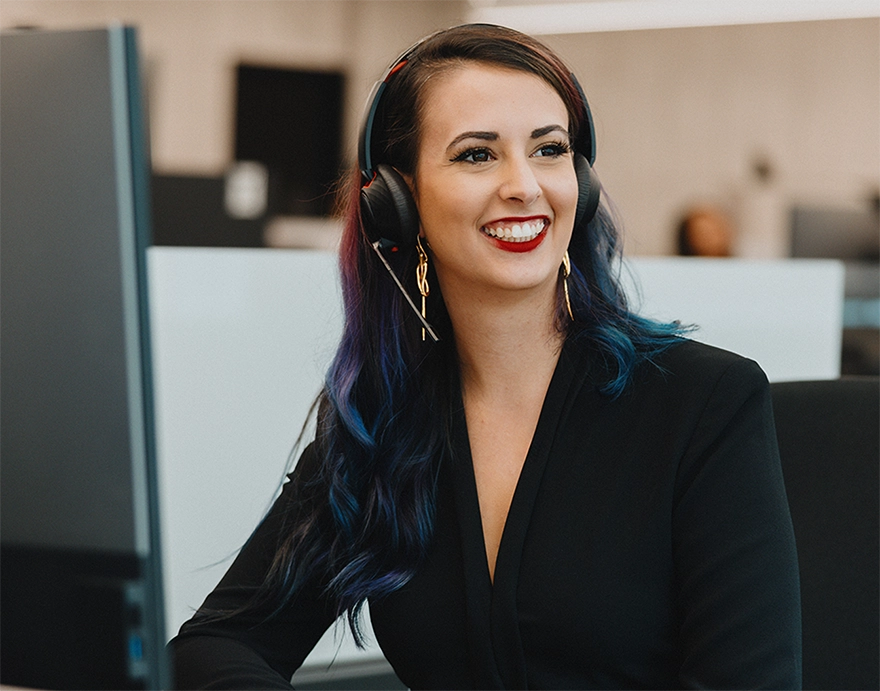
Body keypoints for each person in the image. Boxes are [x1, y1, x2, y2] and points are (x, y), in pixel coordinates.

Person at [170, 24, 801, 690]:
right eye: (477, 155)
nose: (524, 185)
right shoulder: (384, 425)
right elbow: (215, 646)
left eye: (549, 150)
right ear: (400, 201)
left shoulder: (703, 404)